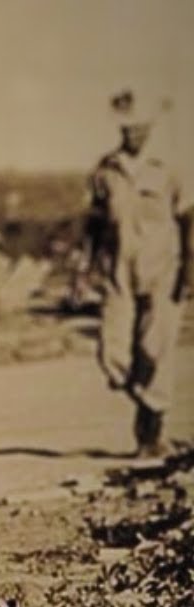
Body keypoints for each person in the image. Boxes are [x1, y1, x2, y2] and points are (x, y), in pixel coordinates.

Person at [85, 89, 192, 458]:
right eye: (126, 128)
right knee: (112, 351)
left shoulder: (169, 169)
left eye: (139, 128)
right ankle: (143, 399)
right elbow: (96, 223)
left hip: (164, 269)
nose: (132, 135)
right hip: (118, 270)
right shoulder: (106, 170)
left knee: (154, 348)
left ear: (149, 129)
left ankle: (152, 430)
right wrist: (86, 268)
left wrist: (190, 270)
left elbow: (188, 218)